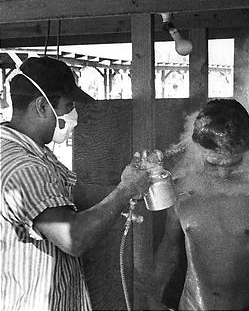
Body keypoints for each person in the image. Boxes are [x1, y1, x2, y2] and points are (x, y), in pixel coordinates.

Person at [0, 57, 156, 310]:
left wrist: (130, 191)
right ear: (42, 106)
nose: (73, 114)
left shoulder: (36, 153)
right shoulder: (24, 167)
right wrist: (124, 190)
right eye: (68, 105)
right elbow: (75, 239)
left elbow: (73, 191)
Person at [151, 99, 249, 310]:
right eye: (213, 163)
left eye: (234, 163)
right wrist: (150, 298)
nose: (223, 172)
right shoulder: (182, 193)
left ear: (247, 148)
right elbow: (169, 251)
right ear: (199, 148)